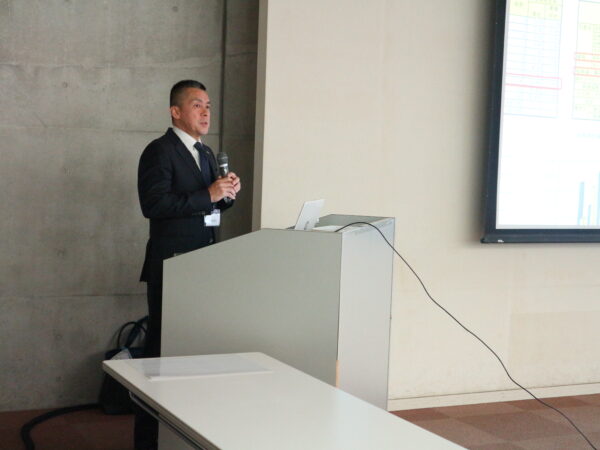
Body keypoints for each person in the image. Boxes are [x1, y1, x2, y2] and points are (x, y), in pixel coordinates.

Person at [135, 80, 241, 449]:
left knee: (193, 352)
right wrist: (207, 194)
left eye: (208, 105)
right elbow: (153, 205)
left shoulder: (207, 153)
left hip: (202, 267)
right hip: (172, 267)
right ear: (175, 111)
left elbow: (210, 206)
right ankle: (150, 440)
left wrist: (226, 194)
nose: (206, 112)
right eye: (197, 105)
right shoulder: (159, 151)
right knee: (162, 354)